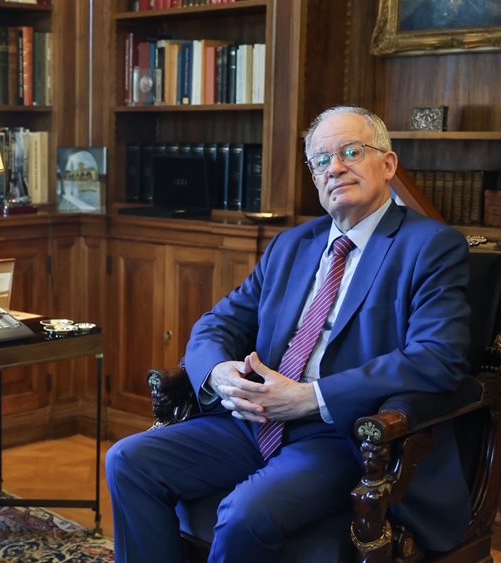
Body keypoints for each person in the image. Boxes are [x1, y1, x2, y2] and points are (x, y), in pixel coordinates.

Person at [105, 106, 472, 561]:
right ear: (314, 177)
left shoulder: (430, 246)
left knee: (244, 513)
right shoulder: (292, 245)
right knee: (128, 461)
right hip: (255, 420)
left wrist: (311, 397)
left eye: (351, 152)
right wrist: (218, 373)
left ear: (388, 164)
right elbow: (217, 323)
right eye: (321, 160)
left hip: (342, 435)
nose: (335, 168)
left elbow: (438, 357)